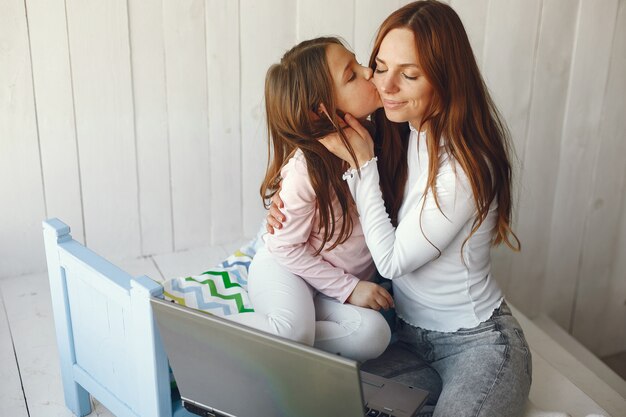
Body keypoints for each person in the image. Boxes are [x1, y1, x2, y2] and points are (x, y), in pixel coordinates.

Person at [266, 1, 531, 416]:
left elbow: (390, 261)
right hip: (406, 337)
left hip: (476, 343)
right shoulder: (405, 127)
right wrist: (282, 208)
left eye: (408, 75)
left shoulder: (466, 164)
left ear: (447, 80)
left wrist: (363, 167)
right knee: (319, 403)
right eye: (380, 66)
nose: (384, 85)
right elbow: (319, 145)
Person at [228, 37, 394, 362]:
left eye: (358, 63)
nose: (367, 70)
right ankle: (200, 336)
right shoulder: (307, 169)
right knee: (294, 331)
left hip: (325, 288)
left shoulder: (379, 140)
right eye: (352, 75)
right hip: (287, 269)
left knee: (375, 334)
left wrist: (344, 288)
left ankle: (287, 343)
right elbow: (284, 247)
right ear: (322, 110)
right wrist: (349, 288)